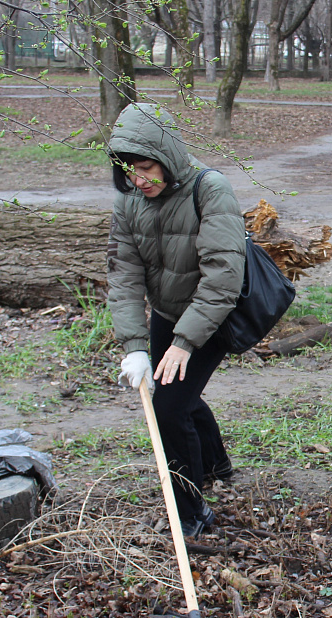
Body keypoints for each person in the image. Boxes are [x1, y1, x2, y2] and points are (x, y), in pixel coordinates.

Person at [106, 102, 247, 538]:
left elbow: (224, 276)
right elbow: (124, 276)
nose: (139, 179)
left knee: (168, 407)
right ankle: (215, 461)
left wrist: (184, 343)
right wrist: (133, 347)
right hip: (169, 311)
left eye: (147, 167)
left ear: (166, 157)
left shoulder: (210, 188)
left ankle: (191, 510)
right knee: (177, 390)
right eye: (130, 170)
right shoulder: (130, 200)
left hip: (213, 314)